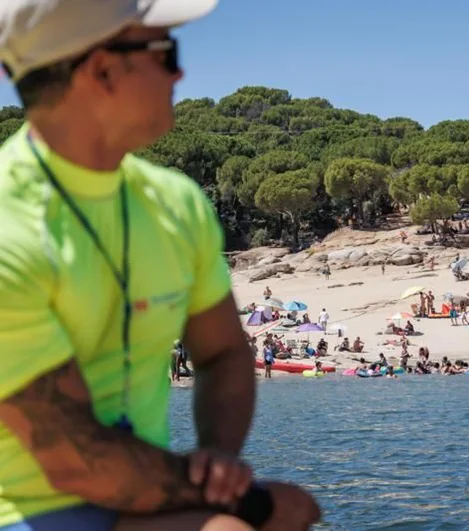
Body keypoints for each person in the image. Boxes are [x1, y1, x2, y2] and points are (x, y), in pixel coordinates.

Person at [0, 2, 320, 530]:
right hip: (29, 505)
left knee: (294, 510)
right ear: (102, 70)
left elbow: (221, 353)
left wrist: (219, 456)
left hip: (129, 489)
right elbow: (76, 460)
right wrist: (236, 501)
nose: (180, 72)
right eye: (164, 51)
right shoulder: (11, 230)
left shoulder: (177, 203)